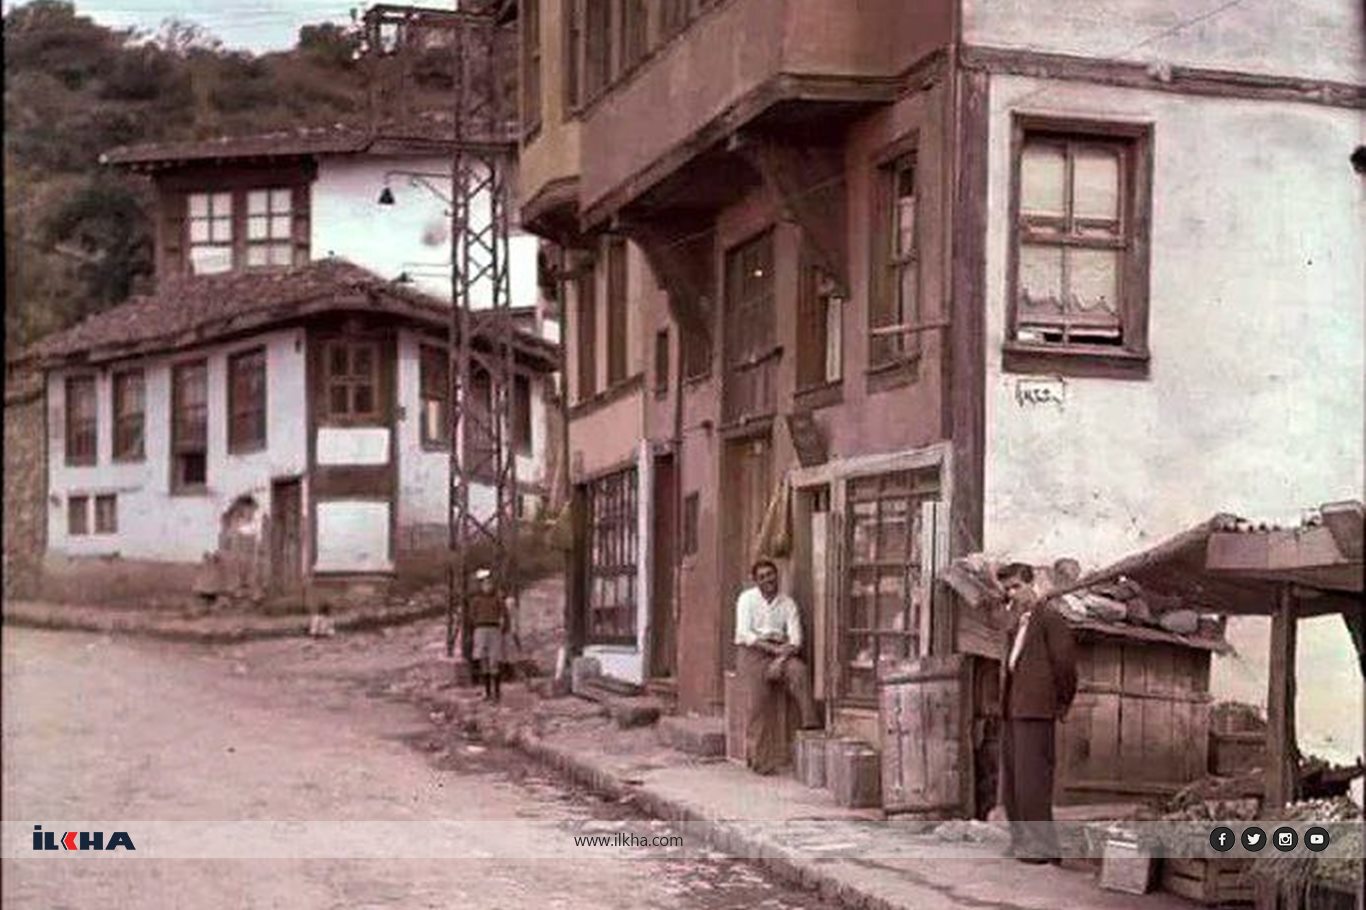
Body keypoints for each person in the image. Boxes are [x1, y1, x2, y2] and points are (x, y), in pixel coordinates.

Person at [996, 562, 1077, 864]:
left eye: (1017, 586)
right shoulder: (1016, 622)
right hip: (1012, 708)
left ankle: (1043, 847)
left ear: (1033, 584)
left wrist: (1062, 703)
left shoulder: (1051, 619)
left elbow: (1065, 666)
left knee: (1033, 782)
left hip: (1036, 711)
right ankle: (1021, 842)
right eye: (1008, 590)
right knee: (1014, 783)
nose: (1013, 594)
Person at [733, 558, 820, 774]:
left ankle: (811, 725)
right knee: (758, 704)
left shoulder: (787, 603)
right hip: (754, 652)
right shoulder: (747, 599)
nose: (768, 580)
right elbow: (744, 633)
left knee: (799, 670)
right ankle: (759, 759)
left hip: (781, 652)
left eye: (771, 575)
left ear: (777, 576)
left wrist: (780, 660)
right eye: (762, 577)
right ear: (755, 580)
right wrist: (772, 652)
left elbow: (796, 640)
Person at [468, 567, 510, 703]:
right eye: (485, 584)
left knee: (494, 660)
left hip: (494, 629)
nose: (488, 587)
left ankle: (497, 693)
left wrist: (503, 625)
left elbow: (504, 614)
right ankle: (487, 692)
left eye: (490, 584)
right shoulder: (476, 600)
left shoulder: (497, 599)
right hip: (480, 629)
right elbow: (471, 616)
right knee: (483, 659)